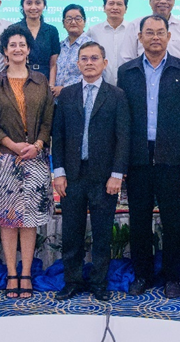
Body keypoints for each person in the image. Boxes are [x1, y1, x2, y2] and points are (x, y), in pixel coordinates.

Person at [117, 15, 180, 299]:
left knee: (173, 220)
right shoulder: (126, 72)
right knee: (138, 220)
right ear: (139, 37)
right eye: (149, 32)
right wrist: (121, 161)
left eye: (160, 32)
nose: (155, 37)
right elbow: (122, 120)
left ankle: (173, 277)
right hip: (137, 157)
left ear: (168, 37)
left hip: (173, 158)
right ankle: (142, 275)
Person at [0, 27, 56, 300]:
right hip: (4, 160)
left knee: (29, 221)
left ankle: (26, 273)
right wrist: (13, 145)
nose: (17, 49)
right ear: (5, 50)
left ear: (28, 50)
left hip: (35, 160)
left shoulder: (40, 81)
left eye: (22, 44)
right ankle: (11, 273)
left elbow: (49, 119)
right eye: (12, 44)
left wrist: (37, 145)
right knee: (8, 220)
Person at [51, 42, 129, 302]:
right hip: (72, 175)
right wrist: (58, 172)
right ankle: (72, 281)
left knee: (102, 233)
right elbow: (58, 136)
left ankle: (98, 282)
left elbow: (123, 137)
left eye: (95, 58)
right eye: (84, 58)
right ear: (77, 64)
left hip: (104, 176)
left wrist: (117, 174)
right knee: (71, 232)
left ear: (105, 63)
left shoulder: (116, 95)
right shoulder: (67, 95)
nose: (89, 63)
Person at [7, 0, 60, 82]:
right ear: (23, 5)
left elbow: (53, 64)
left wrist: (51, 86)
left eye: (38, 3)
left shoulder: (51, 30)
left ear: (44, 5)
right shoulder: (13, 30)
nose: (33, 7)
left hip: (44, 79)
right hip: (19, 78)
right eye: (29, 3)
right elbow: (7, 61)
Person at [87, 0, 130, 85]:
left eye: (119, 4)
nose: (115, 7)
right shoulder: (93, 31)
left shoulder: (133, 30)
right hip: (102, 86)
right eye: (111, 3)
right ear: (104, 7)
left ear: (126, 9)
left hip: (129, 83)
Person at [52, 4, 91, 96]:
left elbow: (92, 74)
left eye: (78, 18)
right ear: (63, 23)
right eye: (69, 19)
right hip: (58, 100)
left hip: (79, 97)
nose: (73, 22)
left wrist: (65, 89)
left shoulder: (90, 46)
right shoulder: (60, 46)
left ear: (84, 22)